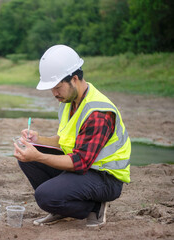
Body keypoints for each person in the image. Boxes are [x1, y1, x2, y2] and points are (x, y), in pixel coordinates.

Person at [13, 45, 131, 227]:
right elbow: (65, 141)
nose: (54, 94)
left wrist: (39, 156)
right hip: (84, 168)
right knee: (28, 157)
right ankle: (62, 209)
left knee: (44, 196)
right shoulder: (69, 101)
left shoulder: (98, 112)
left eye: (57, 87)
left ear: (74, 79)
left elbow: (80, 162)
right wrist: (38, 140)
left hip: (105, 177)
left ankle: (93, 207)